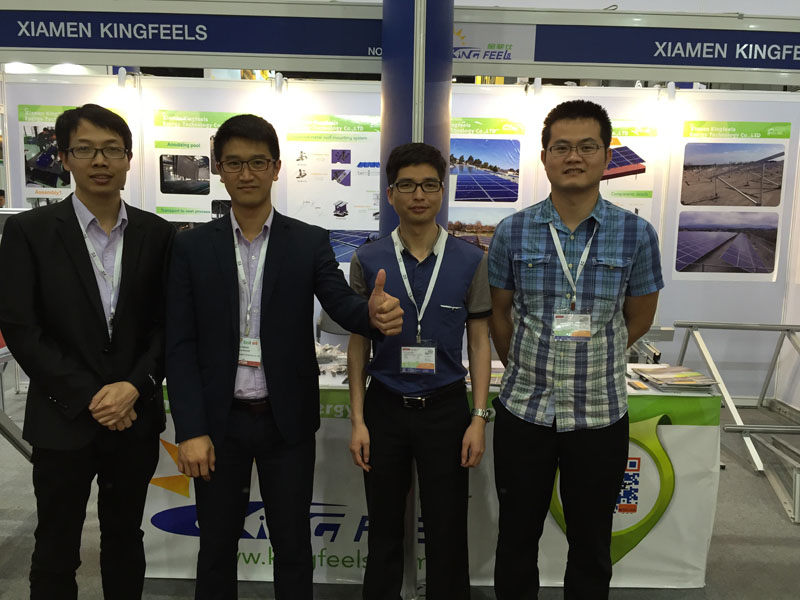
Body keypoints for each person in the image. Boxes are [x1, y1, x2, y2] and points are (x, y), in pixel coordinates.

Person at [165, 114, 404, 600]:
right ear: (218, 168)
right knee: (216, 546)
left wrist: (370, 314)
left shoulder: (307, 240)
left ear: (276, 168)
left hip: (285, 422)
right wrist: (189, 430)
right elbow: (180, 341)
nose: (246, 173)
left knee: (293, 544)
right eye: (234, 163)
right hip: (218, 423)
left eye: (257, 162)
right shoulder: (191, 246)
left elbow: (338, 301)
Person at [488, 99, 663, 600]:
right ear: (544, 157)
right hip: (525, 411)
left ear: (607, 156)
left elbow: (640, 317)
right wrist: (526, 365)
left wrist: (596, 359)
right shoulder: (512, 231)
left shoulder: (636, 234)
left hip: (599, 414)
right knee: (516, 536)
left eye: (587, 147)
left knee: (591, 542)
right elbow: (500, 314)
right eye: (561, 147)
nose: (574, 157)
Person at [0, 103, 175, 600]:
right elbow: (21, 326)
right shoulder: (30, 232)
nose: (100, 161)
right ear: (64, 157)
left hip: (133, 419)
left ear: (129, 158)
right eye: (85, 149)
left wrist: (133, 388)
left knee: (125, 538)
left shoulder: (158, 234)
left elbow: (168, 325)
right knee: (55, 546)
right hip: (63, 418)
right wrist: (92, 396)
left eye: (112, 150)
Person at [347, 142, 492, 600]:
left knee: (447, 528)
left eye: (429, 185)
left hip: (446, 409)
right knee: (383, 526)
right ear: (390, 194)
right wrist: (358, 421)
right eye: (407, 186)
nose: (419, 195)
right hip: (385, 406)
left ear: (442, 192)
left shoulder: (471, 260)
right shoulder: (368, 259)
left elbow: (479, 342)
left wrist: (478, 417)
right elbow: (358, 345)